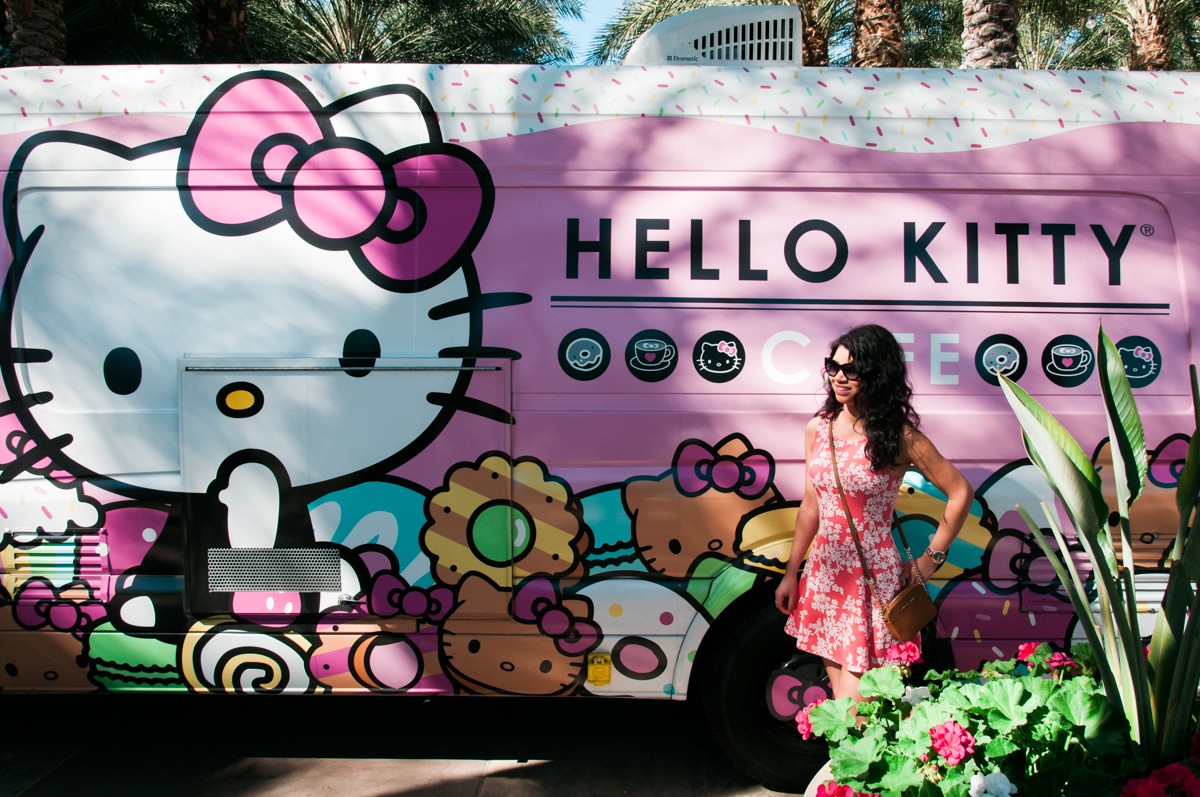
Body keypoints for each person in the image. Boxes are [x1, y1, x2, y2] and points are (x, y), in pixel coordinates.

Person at [774, 323, 974, 703]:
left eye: (852, 370)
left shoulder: (898, 436)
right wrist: (791, 572)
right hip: (826, 574)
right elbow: (811, 504)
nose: (838, 377)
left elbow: (960, 491)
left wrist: (929, 562)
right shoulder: (818, 428)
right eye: (832, 366)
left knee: (860, 706)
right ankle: (856, 760)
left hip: (872, 580)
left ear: (876, 374)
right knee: (842, 700)